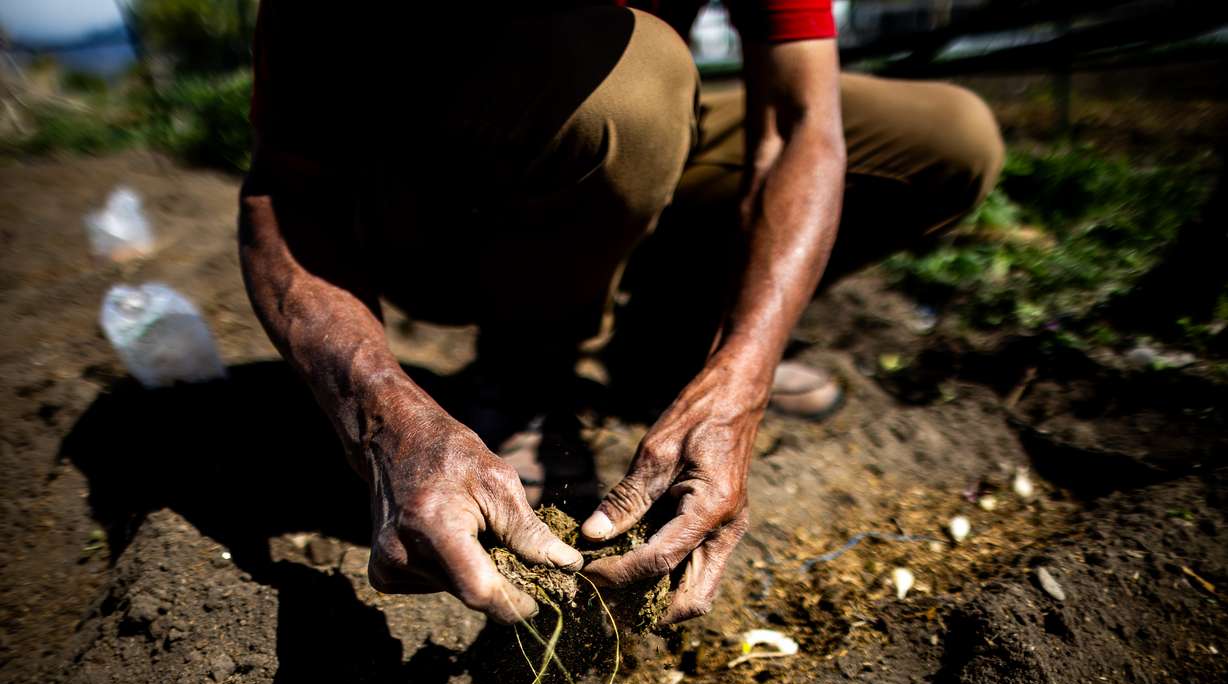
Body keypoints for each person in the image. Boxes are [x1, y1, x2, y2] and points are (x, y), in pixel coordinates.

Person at [239, 1, 1003, 625]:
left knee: (947, 140)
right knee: (633, 86)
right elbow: (288, 190)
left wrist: (742, 372)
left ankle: (667, 353)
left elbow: (801, 131)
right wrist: (381, 414)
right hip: (432, 201)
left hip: (629, 137)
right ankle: (524, 368)